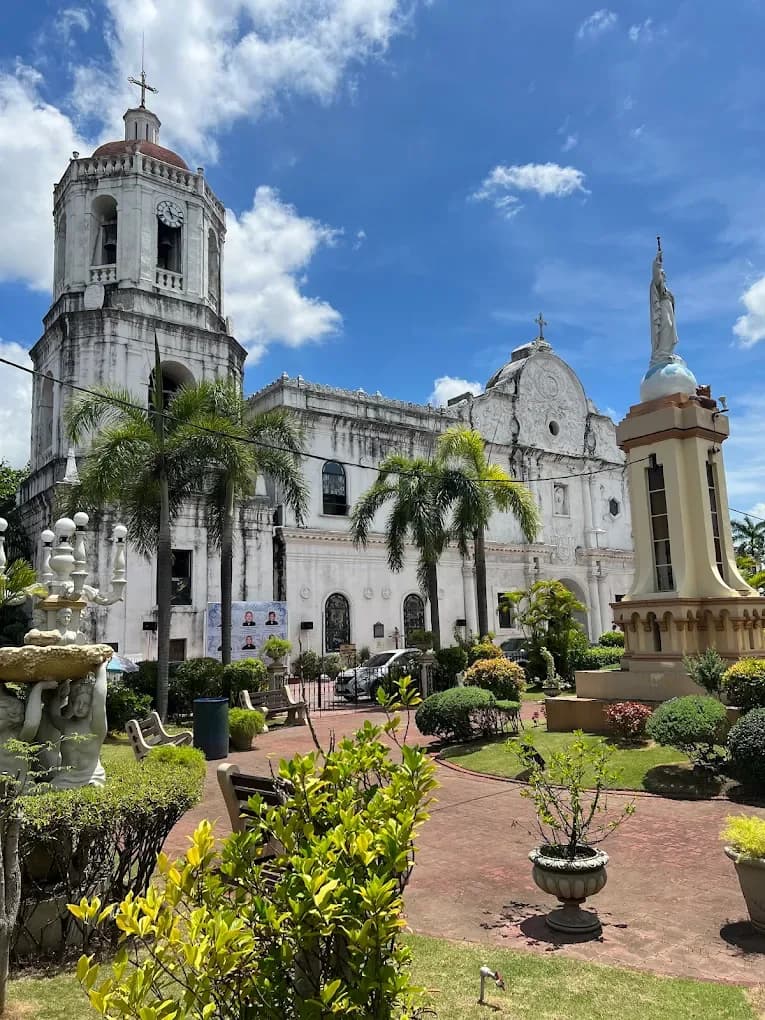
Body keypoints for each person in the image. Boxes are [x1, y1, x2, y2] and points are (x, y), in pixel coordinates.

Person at [46, 664, 108, 788]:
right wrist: (58, 690)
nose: (80, 707)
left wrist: (101, 669)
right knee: (44, 790)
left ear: (91, 706)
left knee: (94, 788)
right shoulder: (66, 725)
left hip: (91, 776)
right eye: (77, 702)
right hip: (65, 778)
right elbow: (53, 714)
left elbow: (100, 699)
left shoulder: (96, 727)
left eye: (85, 704)